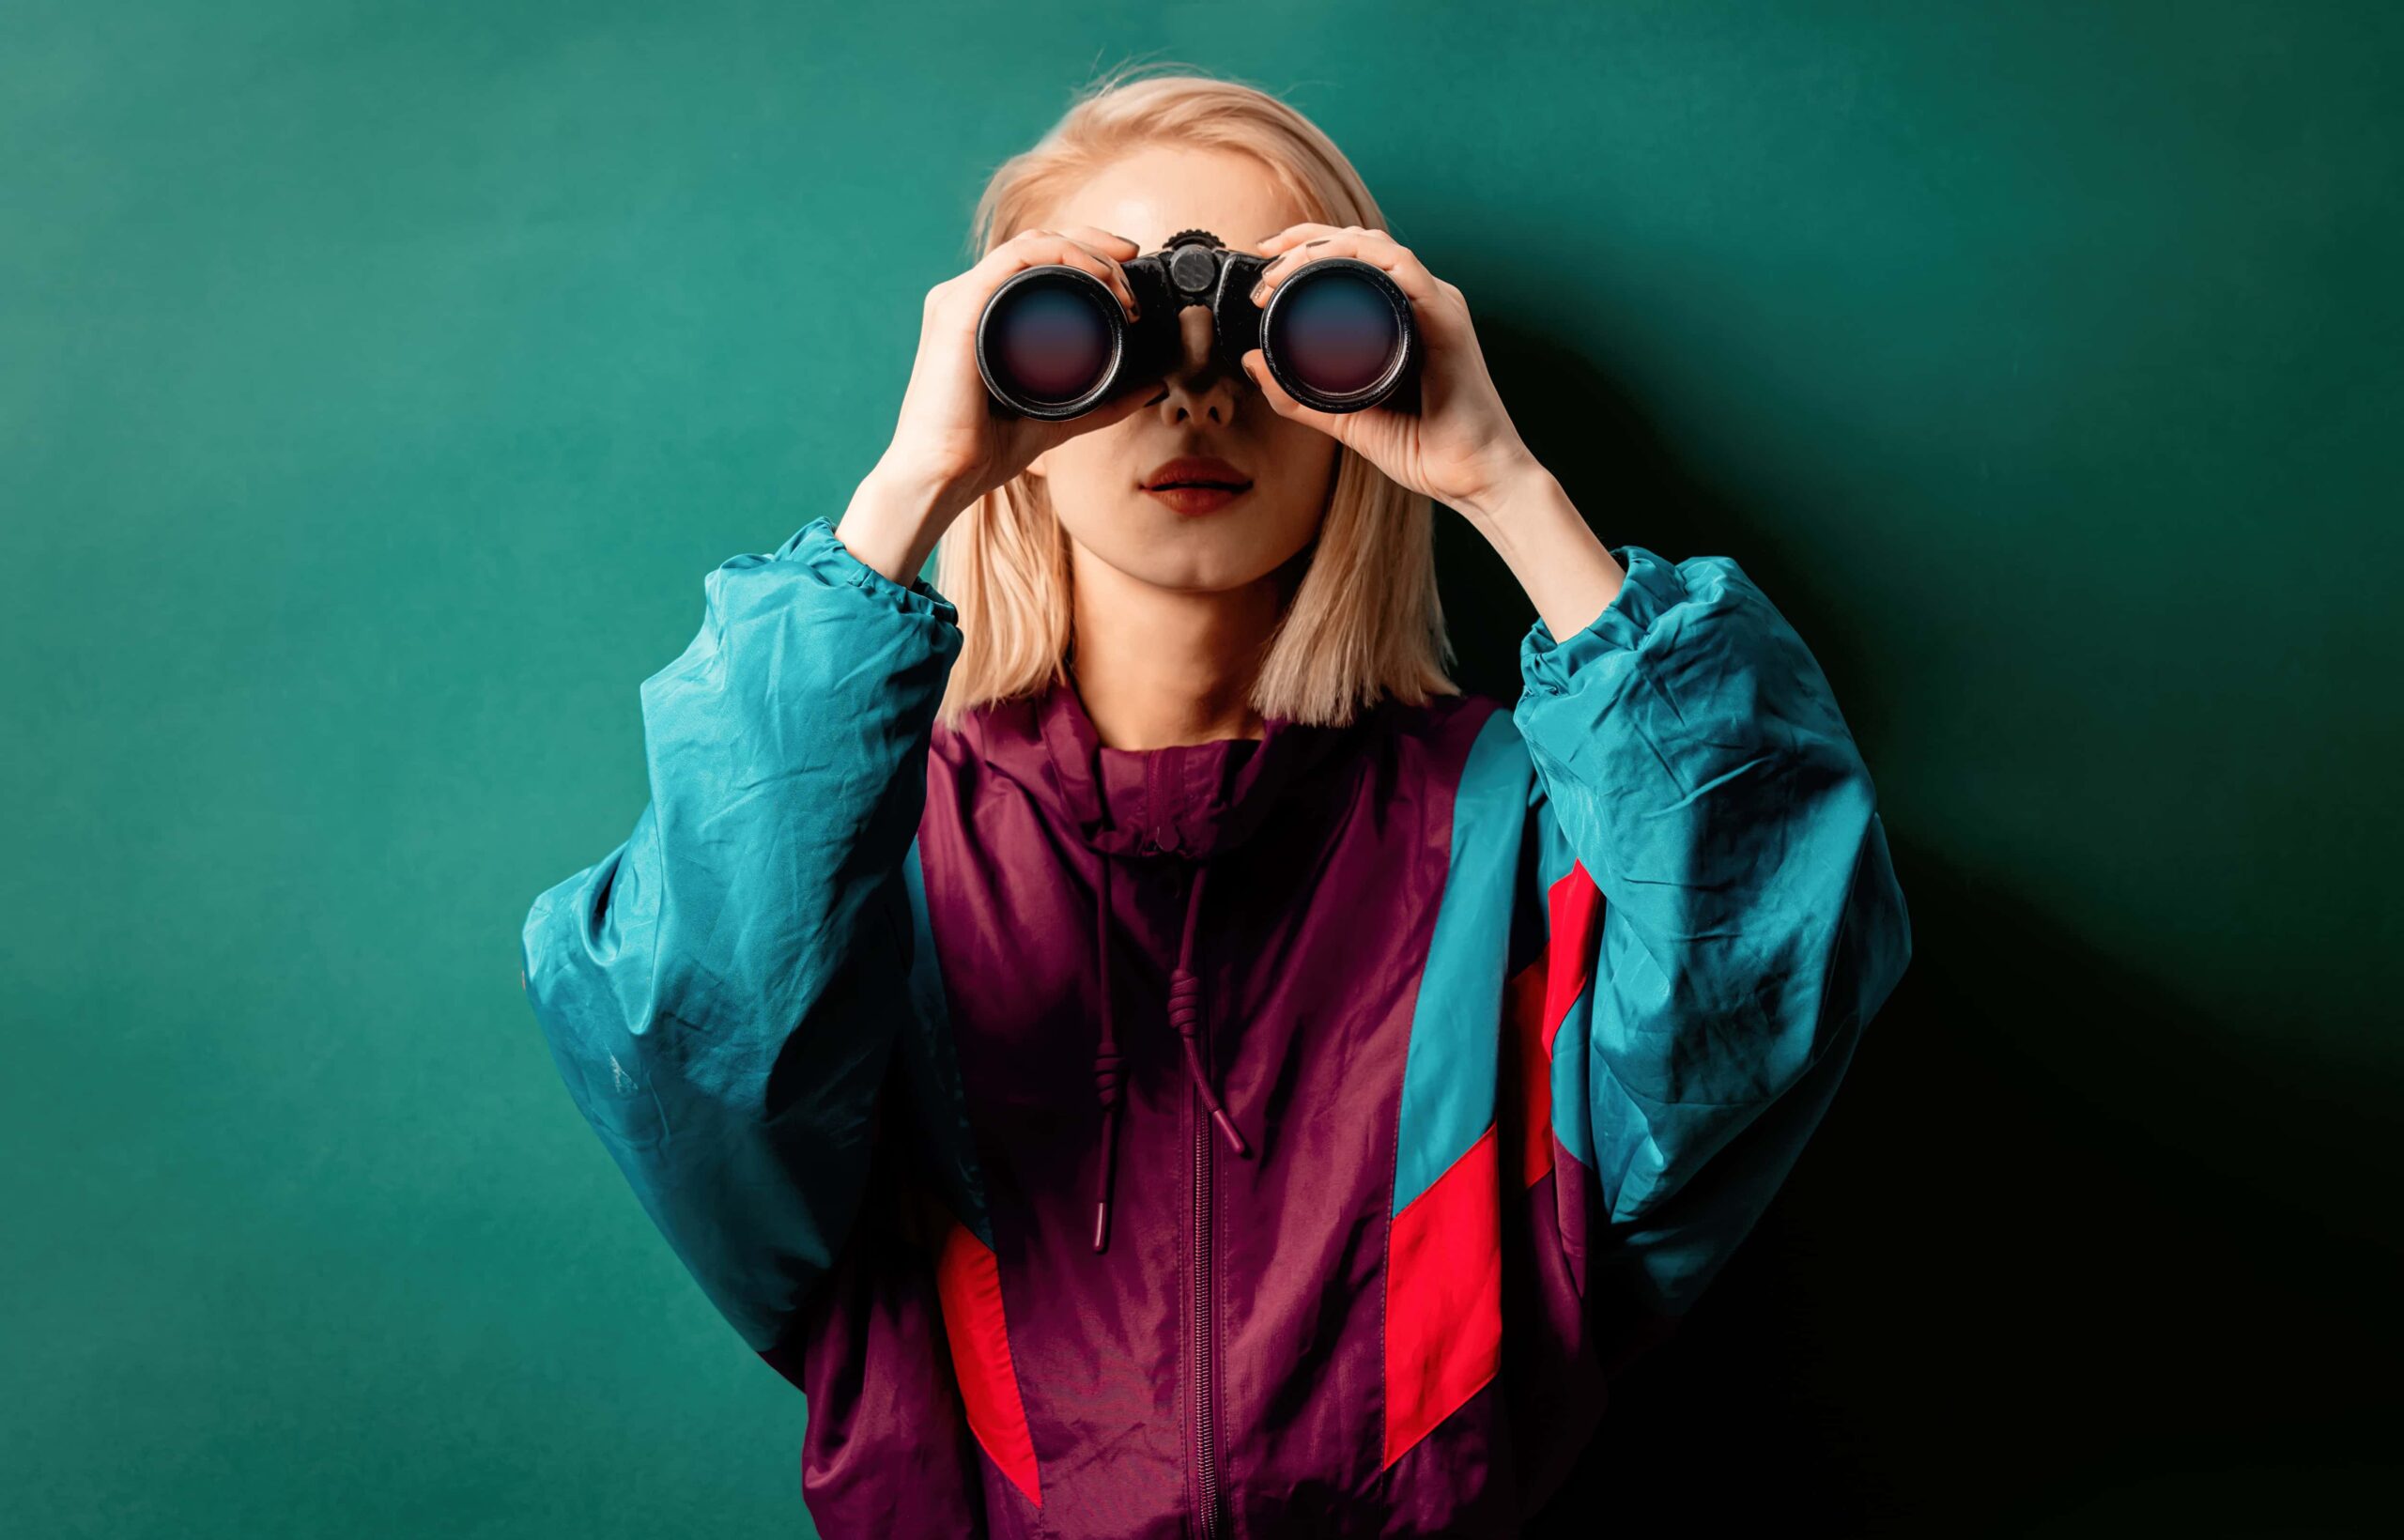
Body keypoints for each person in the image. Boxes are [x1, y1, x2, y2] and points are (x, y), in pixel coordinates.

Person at [517, 68, 1912, 1540]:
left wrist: (1500, 480)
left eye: (1270, 332)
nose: (1189, 389)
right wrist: (914, 485)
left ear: (1364, 378)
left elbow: (1767, 975)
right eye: (1094, 335)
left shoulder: (1523, 830)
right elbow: (697, 1043)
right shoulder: (868, 856)